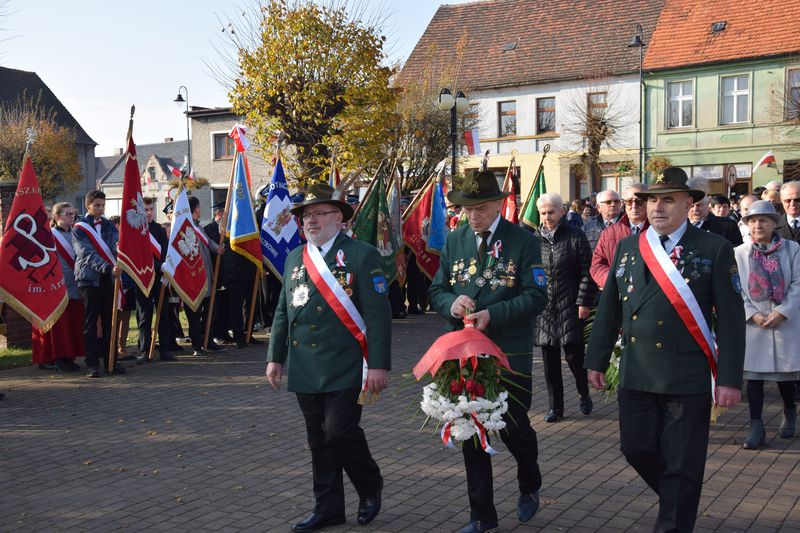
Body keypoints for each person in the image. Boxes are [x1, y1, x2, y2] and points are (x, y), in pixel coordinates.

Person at [585, 167, 745, 532]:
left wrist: (730, 378)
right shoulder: (627, 247)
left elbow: (733, 320)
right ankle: (679, 494)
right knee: (636, 449)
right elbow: (609, 309)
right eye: (652, 199)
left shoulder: (714, 249)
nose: (656, 207)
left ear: (689, 203)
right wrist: (595, 359)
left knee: (683, 463)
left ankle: (675, 515)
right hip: (637, 371)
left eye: (668, 199)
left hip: (686, 377)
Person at [266, 184, 390, 532]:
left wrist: (379, 364)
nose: (311, 221)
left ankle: (370, 485)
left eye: (319, 213)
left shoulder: (362, 255)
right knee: (318, 440)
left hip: (347, 363)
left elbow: (379, 317)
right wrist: (275, 357)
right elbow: (282, 312)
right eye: (306, 215)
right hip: (306, 365)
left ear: (339, 217)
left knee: (339, 430)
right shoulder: (294, 258)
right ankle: (328, 506)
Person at [429, 170, 547, 533]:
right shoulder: (455, 239)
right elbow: (436, 290)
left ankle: (530, 482)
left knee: (514, 428)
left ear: (499, 203)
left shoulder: (522, 241)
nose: (473, 215)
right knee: (469, 430)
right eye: (466, 209)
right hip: (463, 353)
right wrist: (452, 303)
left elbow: (536, 295)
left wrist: (493, 314)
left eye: (480, 207)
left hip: (506, 351)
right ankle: (481, 515)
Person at [734, 200, 800, 448]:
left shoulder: (792, 249)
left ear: (774, 223)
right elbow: (736, 289)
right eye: (752, 220)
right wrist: (752, 314)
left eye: (763, 220)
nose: (757, 225)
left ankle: (790, 409)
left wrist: (784, 311)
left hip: (786, 322)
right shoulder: (739, 252)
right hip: (755, 324)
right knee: (755, 377)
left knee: (785, 376)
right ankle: (756, 426)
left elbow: (798, 283)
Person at [533, 193, 596, 422]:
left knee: (574, 359)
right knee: (550, 365)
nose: (547, 217)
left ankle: (583, 392)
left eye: (551, 212)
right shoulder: (534, 239)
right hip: (544, 310)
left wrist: (583, 302)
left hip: (570, 307)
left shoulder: (575, 236)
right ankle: (555, 408)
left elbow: (588, 273)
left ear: (561, 211)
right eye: (543, 213)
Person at [73, 190, 125, 378]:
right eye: (97, 205)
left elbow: (114, 247)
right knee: (91, 323)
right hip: (88, 279)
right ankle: (92, 364)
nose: (100, 209)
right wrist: (106, 267)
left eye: (103, 205)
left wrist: (118, 261)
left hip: (108, 280)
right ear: (88, 205)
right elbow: (85, 253)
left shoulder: (109, 226)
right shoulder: (79, 227)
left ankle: (111, 360)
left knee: (110, 320)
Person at [31, 202, 84, 373]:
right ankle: (59, 358)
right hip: (57, 286)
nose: (71, 216)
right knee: (60, 327)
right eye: (67, 214)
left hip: (74, 284)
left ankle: (70, 357)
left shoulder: (77, 233)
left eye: (72, 213)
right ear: (56, 217)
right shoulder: (49, 236)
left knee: (73, 324)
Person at [184, 196, 225, 356]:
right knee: (195, 313)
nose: (200, 210)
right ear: (194, 210)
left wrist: (218, 248)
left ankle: (208, 340)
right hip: (194, 278)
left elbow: (208, 242)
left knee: (210, 311)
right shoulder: (185, 228)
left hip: (207, 276)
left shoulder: (199, 227)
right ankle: (196, 344)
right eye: (199, 208)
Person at [134, 196, 173, 363]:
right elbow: (138, 256)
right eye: (146, 210)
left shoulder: (159, 229)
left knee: (163, 314)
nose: (149, 213)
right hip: (142, 277)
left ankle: (165, 349)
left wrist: (166, 273)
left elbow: (165, 252)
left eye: (151, 209)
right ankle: (144, 350)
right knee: (144, 316)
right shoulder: (135, 230)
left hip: (159, 279)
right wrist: (159, 266)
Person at [590, 183, 649, 290]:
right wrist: (614, 282)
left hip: (649, 295)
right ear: (624, 204)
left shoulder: (659, 230)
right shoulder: (609, 232)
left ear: (648, 202)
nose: (634, 206)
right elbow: (597, 266)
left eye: (639, 201)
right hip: (619, 295)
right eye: (629, 202)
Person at [686, 180, 743, 247]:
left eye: (699, 205)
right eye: (692, 206)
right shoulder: (678, 226)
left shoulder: (728, 225)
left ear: (707, 205)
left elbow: (736, 251)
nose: (695, 209)